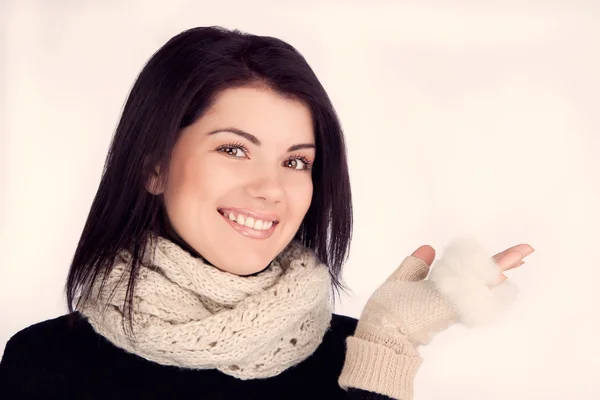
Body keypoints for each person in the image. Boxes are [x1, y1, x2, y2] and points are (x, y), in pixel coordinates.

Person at [0, 26, 534, 400]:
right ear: (155, 168)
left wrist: (386, 350)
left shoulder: (354, 354)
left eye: (296, 161)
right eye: (234, 149)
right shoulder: (42, 363)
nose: (271, 188)